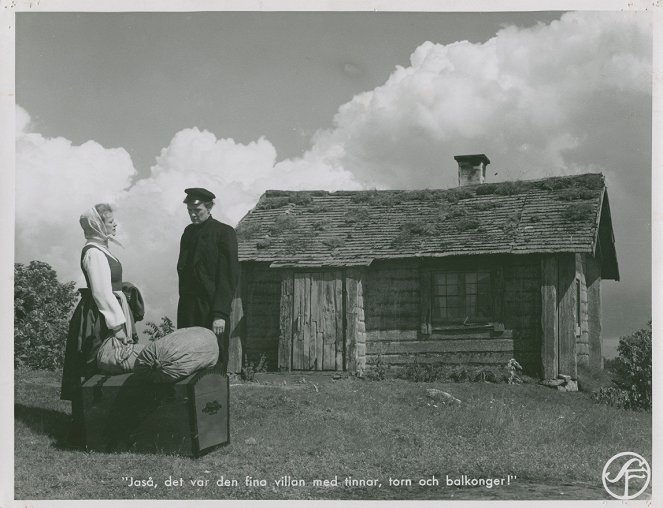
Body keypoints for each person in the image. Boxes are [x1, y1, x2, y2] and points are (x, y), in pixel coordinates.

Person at [60, 203, 143, 445]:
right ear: (98, 226)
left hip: (108, 313)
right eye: (110, 222)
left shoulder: (102, 249)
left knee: (109, 366)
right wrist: (117, 327)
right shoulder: (94, 252)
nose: (115, 224)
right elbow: (101, 293)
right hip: (98, 319)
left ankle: (108, 424)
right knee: (95, 364)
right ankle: (87, 431)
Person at [177, 188, 239, 374]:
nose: (193, 215)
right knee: (187, 353)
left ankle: (214, 400)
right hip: (189, 306)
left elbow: (228, 275)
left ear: (209, 207)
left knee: (214, 355)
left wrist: (219, 314)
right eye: (190, 211)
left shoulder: (223, 232)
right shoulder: (188, 233)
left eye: (198, 211)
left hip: (211, 308)